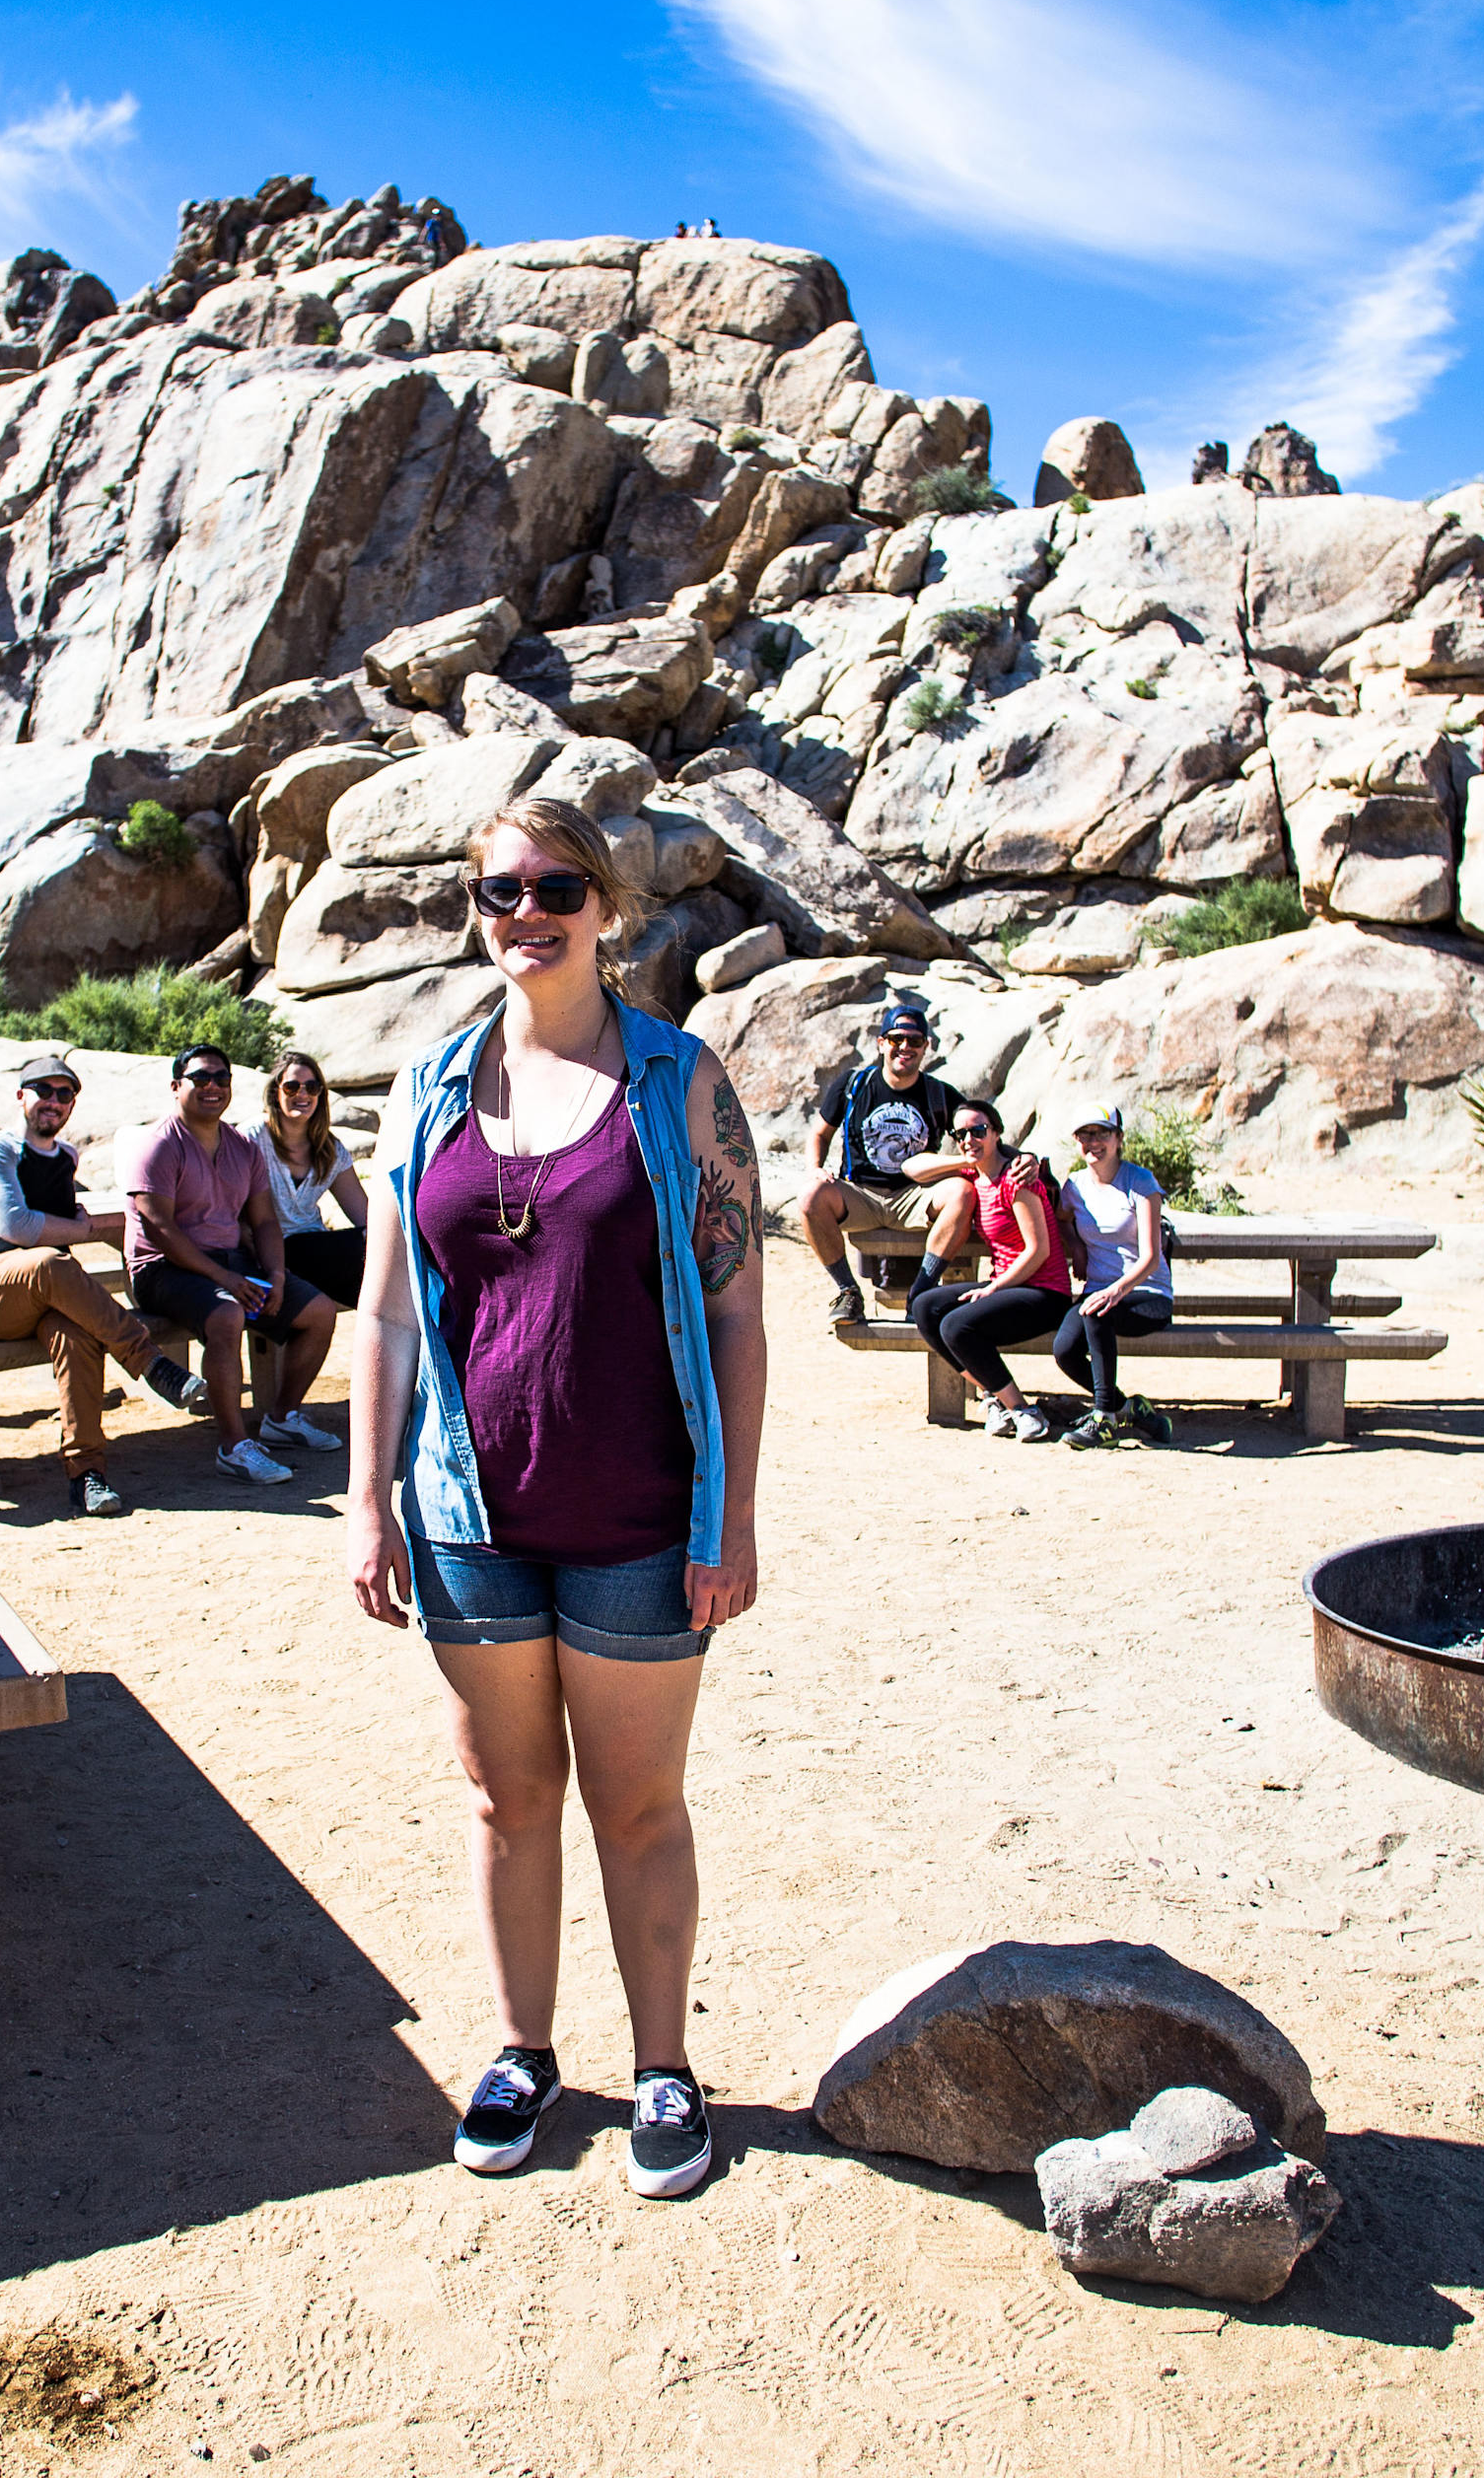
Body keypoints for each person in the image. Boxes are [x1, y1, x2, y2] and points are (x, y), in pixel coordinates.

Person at [346, 788, 766, 2203]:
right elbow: (392, 1316)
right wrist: (364, 1505)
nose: (526, 916)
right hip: (470, 1512)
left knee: (638, 1808)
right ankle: (525, 2051)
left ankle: (662, 2067)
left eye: (553, 891)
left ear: (606, 910)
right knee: (507, 1801)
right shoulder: (431, 1087)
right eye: (498, 894)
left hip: (644, 1514)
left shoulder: (682, 1083)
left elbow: (736, 1319)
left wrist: (733, 1516)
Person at [0, 1052, 207, 1516]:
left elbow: (62, 1220)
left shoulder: (65, 1158)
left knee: (79, 1334)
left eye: (64, 1094)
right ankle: (151, 1363)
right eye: (43, 1091)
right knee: (49, 1261)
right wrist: (80, 1230)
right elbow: (17, 1226)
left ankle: (87, 1473)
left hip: (46, 1296)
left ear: (72, 1105)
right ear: (20, 1096)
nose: (53, 1101)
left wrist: (78, 1226)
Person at [126, 1044, 345, 1483]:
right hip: (161, 1269)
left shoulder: (241, 1148)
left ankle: (281, 1417)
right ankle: (234, 1445)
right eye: (200, 1078)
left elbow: (264, 1221)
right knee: (227, 1314)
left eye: (221, 1079)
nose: (212, 1087)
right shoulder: (159, 1145)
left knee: (319, 1312)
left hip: (230, 1262)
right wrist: (224, 1277)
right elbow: (160, 1230)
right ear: (176, 1087)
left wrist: (277, 1276)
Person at [903, 1098, 1076, 1441]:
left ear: (996, 1133)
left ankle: (1023, 1411)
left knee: (956, 1324)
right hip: (1008, 1288)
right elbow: (911, 1168)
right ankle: (996, 1397)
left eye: (979, 1131)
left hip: (1044, 1292)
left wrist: (993, 1288)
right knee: (926, 1306)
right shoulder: (973, 1174)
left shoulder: (1017, 1178)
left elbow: (1038, 1250)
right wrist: (967, 1155)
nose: (969, 1139)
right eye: (961, 1133)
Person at [801, 1003, 970, 1328]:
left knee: (961, 1192)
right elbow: (820, 1133)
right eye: (896, 1039)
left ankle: (921, 1292)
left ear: (926, 1048)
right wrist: (815, 1167)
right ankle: (847, 1291)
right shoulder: (854, 1086)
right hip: (859, 1193)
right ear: (881, 1043)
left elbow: (979, 1131)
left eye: (915, 1041)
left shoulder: (939, 1094)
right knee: (810, 1196)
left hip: (915, 1194)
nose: (905, 1047)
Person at [1046, 1105, 1178, 1451]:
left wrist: (1115, 1291)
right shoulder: (1074, 1185)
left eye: (1102, 1133)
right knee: (1064, 1350)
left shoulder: (1140, 1181)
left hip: (1147, 1293)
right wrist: (1076, 1246)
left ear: (1118, 1139)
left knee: (1095, 1311)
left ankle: (1104, 1418)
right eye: (1085, 1135)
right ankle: (1130, 1408)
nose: (1094, 1142)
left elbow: (1150, 1257)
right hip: (1099, 1295)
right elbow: (1061, 1219)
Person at [245, 1050, 370, 1310]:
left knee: (377, 1249)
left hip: (316, 1251)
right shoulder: (252, 1138)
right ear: (276, 1093)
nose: (302, 1094)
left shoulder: (329, 1149)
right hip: (269, 1252)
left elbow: (365, 1215)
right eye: (292, 1087)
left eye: (311, 1087)